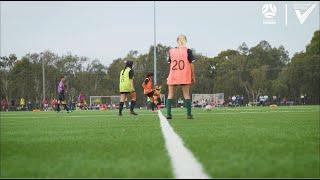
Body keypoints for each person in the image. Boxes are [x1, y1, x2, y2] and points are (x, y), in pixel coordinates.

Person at [166, 34, 196, 119]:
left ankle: (168, 114)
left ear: (177, 41)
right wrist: (193, 76)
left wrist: (169, 75)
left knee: (170, 95)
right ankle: (189, 115)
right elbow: (191, 64)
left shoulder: (171, 51)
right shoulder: (188, 51)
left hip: (173, 74)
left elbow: (170, 64)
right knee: (186, 94)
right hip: (184, 75)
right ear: (185, 41)